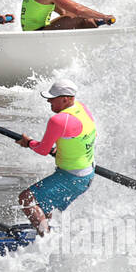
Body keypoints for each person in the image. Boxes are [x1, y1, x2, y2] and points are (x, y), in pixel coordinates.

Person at [16, 79, 96, 236]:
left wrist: (28, 142)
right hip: (87, 173)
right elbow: (84, 137)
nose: (48, 101)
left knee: (26, 199)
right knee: (43, 204)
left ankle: (46, 241)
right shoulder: (82, 108)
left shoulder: (59, 120)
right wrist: (61, 151)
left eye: (53, 98)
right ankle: (47, 231)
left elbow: (42, 150)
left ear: (65, 99)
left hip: (72, 177)